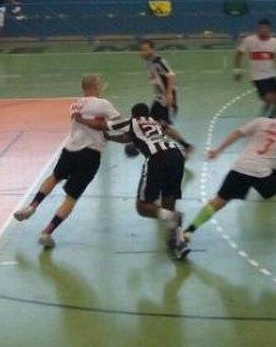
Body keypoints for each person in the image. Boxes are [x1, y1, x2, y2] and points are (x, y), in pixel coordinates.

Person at [177, 101, 276, 258]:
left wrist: (218, 150)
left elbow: (238, 133)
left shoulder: (262, 122)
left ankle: (188, 232)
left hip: (241, 167)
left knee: (219, 201)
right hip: (261, 173)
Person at [12, 75, 121, 248]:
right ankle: (46, 232)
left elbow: (85, 120)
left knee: (55, 176)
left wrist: (95, 121)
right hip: (90, 154)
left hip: (70, 149)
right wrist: (102, 123)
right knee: (71, 197)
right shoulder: (103, 104)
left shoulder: (75, 104)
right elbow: (116, 123)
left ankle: (32, 206)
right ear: (94, 85)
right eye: (99, 83)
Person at [77, 103, 194, 259]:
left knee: (143, 207)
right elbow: (133, 137)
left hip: (156, 158)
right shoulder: (155, 122)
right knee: (168, 203)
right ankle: (179, 243)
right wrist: (185, 144)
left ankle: (174, 219)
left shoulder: (131, 122)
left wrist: (81, 120)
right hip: (176, 155)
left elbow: (101, 125)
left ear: (133, 114)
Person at [235, 18, 276, 115]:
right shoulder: (250, 40)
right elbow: (239, 54)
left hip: (271, 76)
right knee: (269, 99)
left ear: (269, 30)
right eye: (260, 28)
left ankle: (271, 118)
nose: (262, 30)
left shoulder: (275, 43)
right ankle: (263, 117)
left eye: (265, 28)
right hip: (258, 77)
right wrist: (237, 70)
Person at [140, 39, 178, 125]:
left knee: (164, 125)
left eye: (146, 50)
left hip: (166, 96)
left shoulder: (158, 61)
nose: (143, 52)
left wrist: (169, 94)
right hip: (159, 97)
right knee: (152, 122)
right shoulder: (149, 62)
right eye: (141, 50)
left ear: (152, 50)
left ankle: (179, 139)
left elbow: (171, 75)